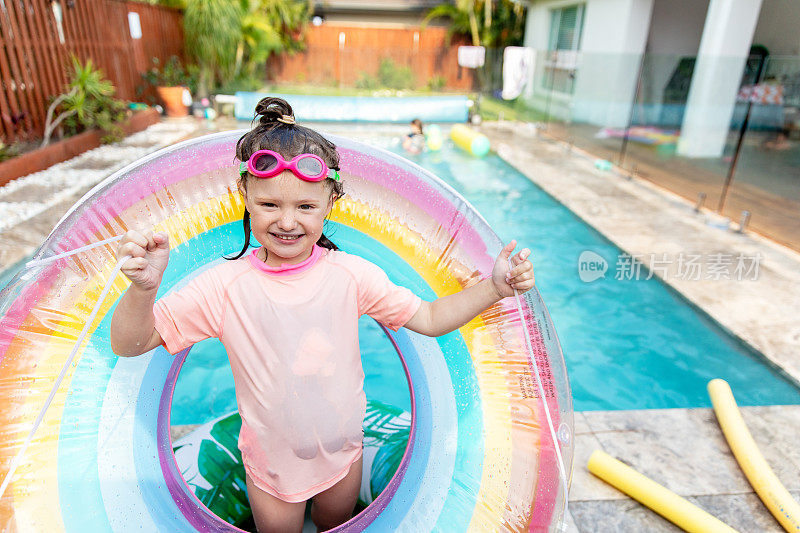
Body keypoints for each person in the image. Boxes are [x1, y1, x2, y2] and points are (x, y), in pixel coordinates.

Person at [109, 97, 535, 533]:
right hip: (272, 473)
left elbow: (428, 318)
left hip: (344, 458)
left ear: (330, 202)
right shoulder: (224, 286)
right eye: (270, 205)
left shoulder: (350, 275)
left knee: (339, 526)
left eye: (306, 207)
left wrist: (495, 288)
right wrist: (143, 290)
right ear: (247, 199)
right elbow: (130, 344)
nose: (287, 222)